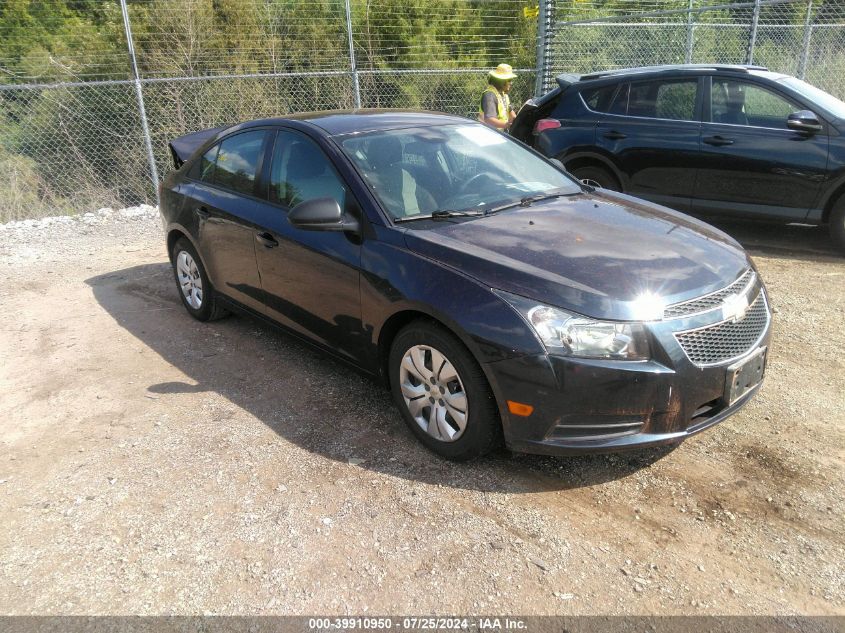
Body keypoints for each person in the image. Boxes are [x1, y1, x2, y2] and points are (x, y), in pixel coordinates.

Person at [479, 63, 517, 131]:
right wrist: (507, 125)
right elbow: (489, 120)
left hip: (499, 134)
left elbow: (512, 114)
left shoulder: (503, 95)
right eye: (509, 80)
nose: (511, 83)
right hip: (490, 135)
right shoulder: (489, 95)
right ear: (501, 81)